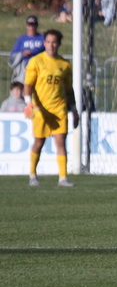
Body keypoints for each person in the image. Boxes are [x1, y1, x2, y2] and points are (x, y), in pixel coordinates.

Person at [23, 29, 79, 187]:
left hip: (59, 108)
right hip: (40, 109)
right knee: (39, 142)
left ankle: (63, 178)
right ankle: (32, 175)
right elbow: (28, 84)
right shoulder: (36, 61)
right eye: (48, 42)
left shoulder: (65, 64)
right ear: (44, 43)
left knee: (60, 141)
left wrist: (74, 110)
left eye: (54, 42)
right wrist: (28, 102)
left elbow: (69, 90)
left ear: (59, 44)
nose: (51, 45)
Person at [9, 16, 45, 84]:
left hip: (39, 68)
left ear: (37, 26)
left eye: (34, 25)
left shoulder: (43, 38)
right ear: (26, 26)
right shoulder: (21, 39)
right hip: (24, 69)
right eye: (30, 25)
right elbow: (13, 55)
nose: (32, 28)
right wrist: (22, 54)